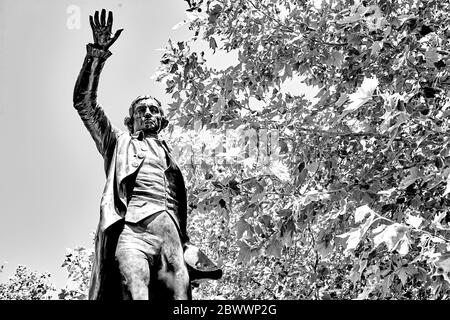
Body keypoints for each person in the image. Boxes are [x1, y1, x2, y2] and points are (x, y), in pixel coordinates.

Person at [73, 9, 221, 300]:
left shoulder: (173, 160)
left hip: (171, 238)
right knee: (134, 293)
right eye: (141, 110)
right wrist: (97, 54)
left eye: (153, 109)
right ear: (131, 120)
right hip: (132, 233)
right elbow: (84, 102)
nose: (148, 113)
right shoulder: (118, 141)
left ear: (162, 120)